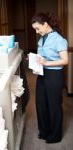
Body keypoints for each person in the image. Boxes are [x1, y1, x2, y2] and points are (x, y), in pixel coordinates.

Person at [31, 12, 68, 143]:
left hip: (54, 75)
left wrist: (46, 63)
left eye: (37, 28)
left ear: (45, 25)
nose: (36, 32)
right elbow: (43, 57)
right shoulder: (42, 38)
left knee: (54, 105)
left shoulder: (58, 39)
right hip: (42, 74)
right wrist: (34, 61)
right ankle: (45, 131)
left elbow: (65, 60)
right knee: (41, 103)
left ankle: (55, 135)